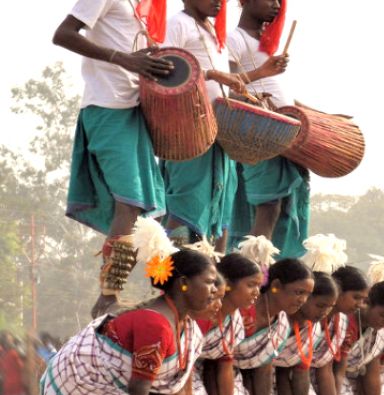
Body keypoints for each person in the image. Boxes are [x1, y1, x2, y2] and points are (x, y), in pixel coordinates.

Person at [52, 0, 174, 317]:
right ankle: (107, 297)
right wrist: (123, 60)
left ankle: (163, 289)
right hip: (107, 108)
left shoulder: (148, 6)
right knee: (130, 204)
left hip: (136, 111)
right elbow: (62, 34)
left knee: (150, 214)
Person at [35, 246, 216, 395]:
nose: (214, 290)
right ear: (184, 283)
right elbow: (138, 391)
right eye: (209, 282)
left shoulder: (186, 326)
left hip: (120, 389)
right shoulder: (156, 326)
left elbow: (172, 387)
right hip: (86, 382)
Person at [226, 0, 310, 259]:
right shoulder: (234, 39)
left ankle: (262, 272)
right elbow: (226, 88)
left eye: (279, 1)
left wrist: (314, 114)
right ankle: (251, 272)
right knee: (268, 204)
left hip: (281, 134)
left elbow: (275, 91)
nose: (275, 6)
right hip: (256, 133)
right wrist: (262, 71)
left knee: (278, 205)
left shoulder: (268, 44)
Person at [160, 0, 246, 251]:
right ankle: (171, 276)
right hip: (189, 130)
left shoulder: (214, 32)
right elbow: (164, 70)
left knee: (220, 209)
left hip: (219, 131)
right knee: (186, 204)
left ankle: (214, 282)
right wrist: (210, 75)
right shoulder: (178, 24)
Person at [233, 258, 314, 395]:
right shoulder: (244, 311)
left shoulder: (281, 323)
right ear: (276, 285)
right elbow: (220, 363)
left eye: (307, 295)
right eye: (299, 292)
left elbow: (264, 369)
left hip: (241, 383)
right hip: (217, 377)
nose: (303, 300)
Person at [188, 252, 264, 395]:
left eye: (258, 286)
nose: (256, 292)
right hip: (183, 376)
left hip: (200, 379)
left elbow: (224, 369)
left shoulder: (235, 319)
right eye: (251, 285)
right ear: (228, 284)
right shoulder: (201, 316)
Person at [272, 272, 339, 395]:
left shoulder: (313, 328)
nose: (325, 312)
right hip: (260, 386)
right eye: (320, 305)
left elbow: (301, 374)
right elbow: (282, 375)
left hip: (288, 393)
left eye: (330, 307)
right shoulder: (279, 321)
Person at [307, 265, 369, 395]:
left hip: (327, 385)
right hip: (299, 380)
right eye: (356, 297)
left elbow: (327, 369)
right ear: (338, 291)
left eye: (363, 299)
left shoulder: (341, 321)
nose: (360, 304)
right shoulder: (307, 318)